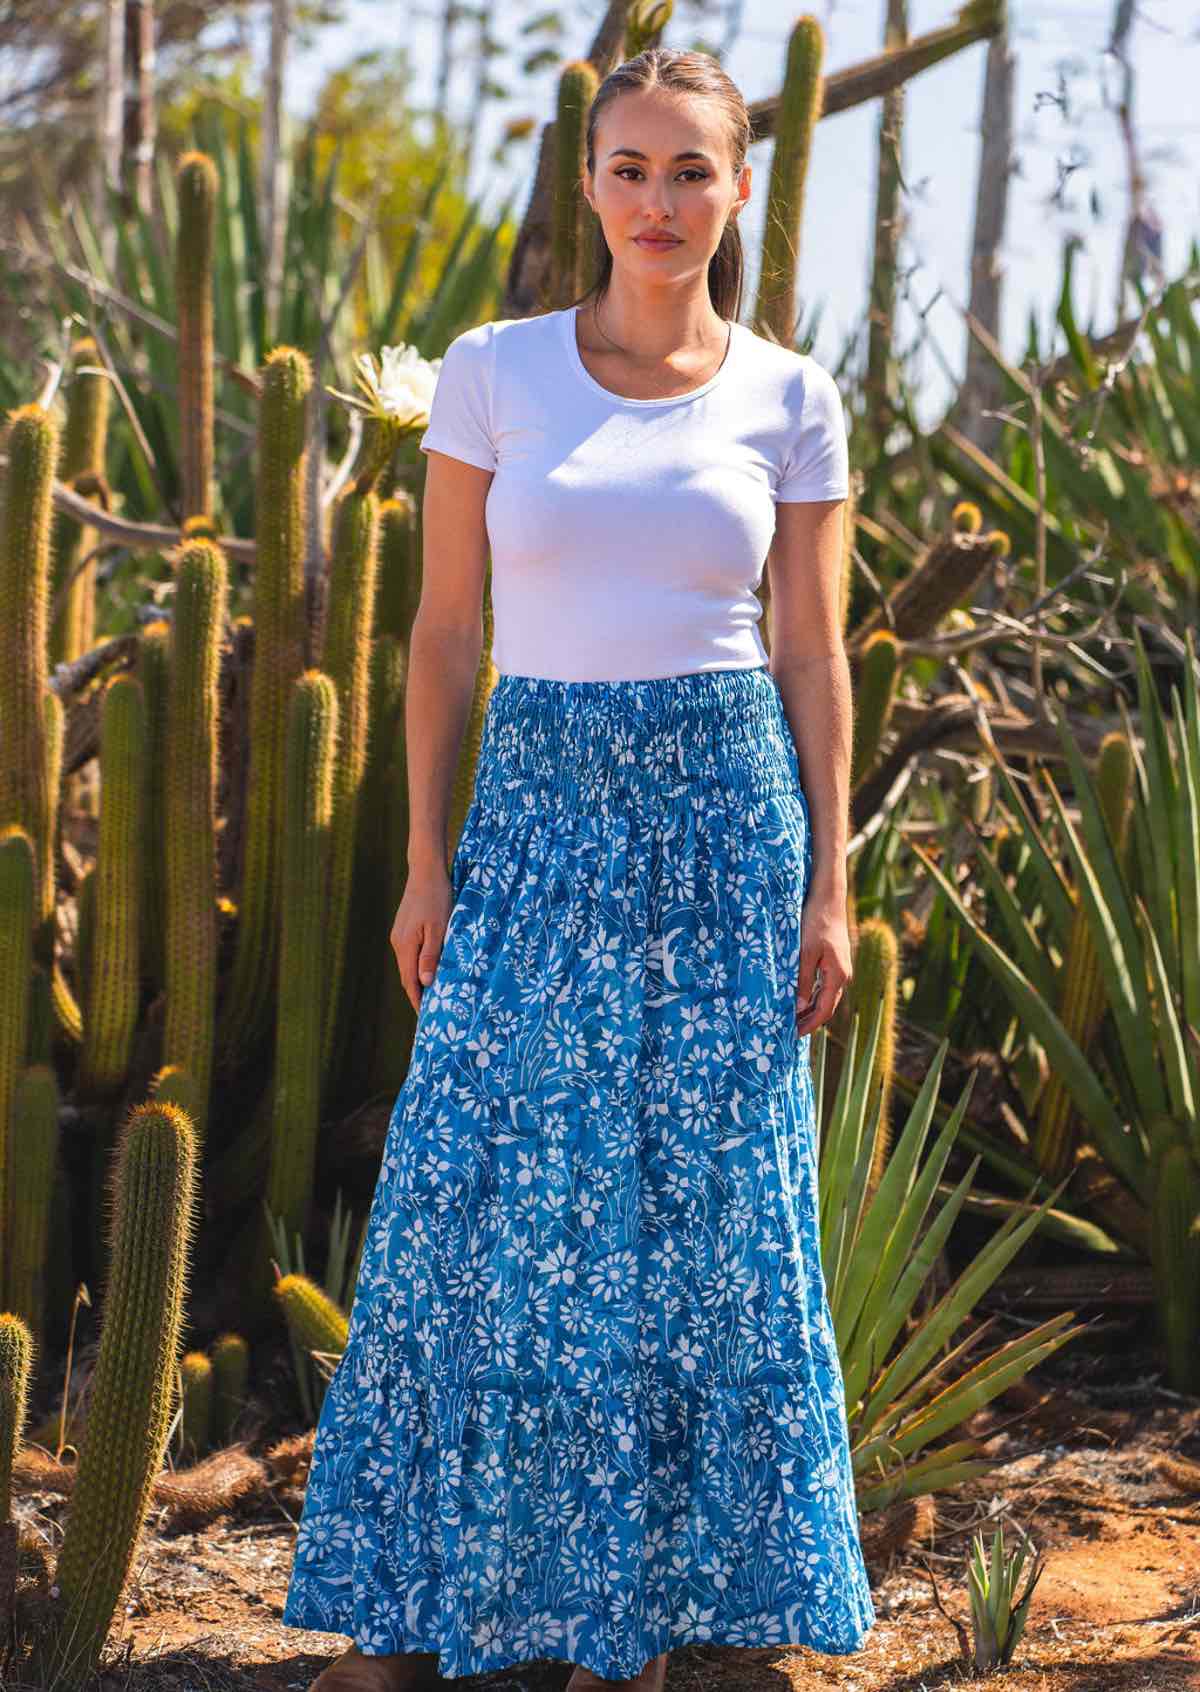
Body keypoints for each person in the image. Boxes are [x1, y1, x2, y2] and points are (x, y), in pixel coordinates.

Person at [281, 44, 875, 1692]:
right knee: (487, 1199)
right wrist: (422, 859)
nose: (660, 202)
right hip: (535, 818)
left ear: (741, 188)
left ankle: (726, 1626)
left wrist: (830, 879)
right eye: (631, 168)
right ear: (588, 184)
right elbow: (445, 632)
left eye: (693, 172)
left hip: (724, 820)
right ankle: (423, 1622)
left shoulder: (791, 396)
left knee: (718, 1212)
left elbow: (812, 655)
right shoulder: (495, 371)